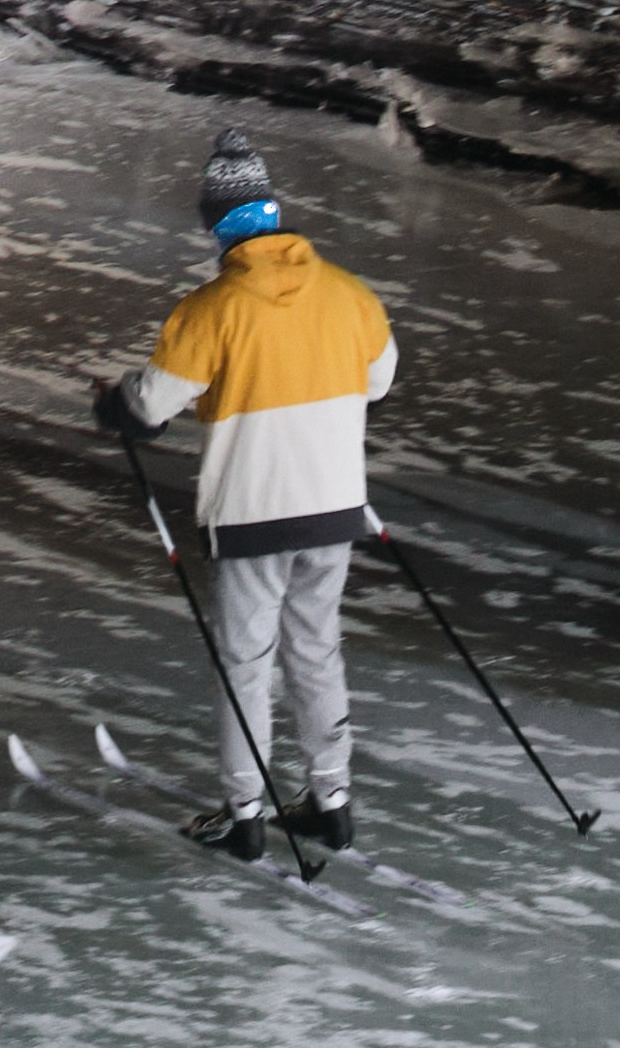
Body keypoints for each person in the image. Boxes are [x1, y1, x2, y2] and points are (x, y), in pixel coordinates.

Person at [96, 126, 396, 861]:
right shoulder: (350, 294)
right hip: (333, 510)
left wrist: (113, 403)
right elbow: (378, 384)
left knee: (244, 665)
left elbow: (150, 405)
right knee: (316, 650)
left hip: (254, 517)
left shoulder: (210, 309)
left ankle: (243, 814)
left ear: (216, 225)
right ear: (272, 212)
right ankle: (330, 802)